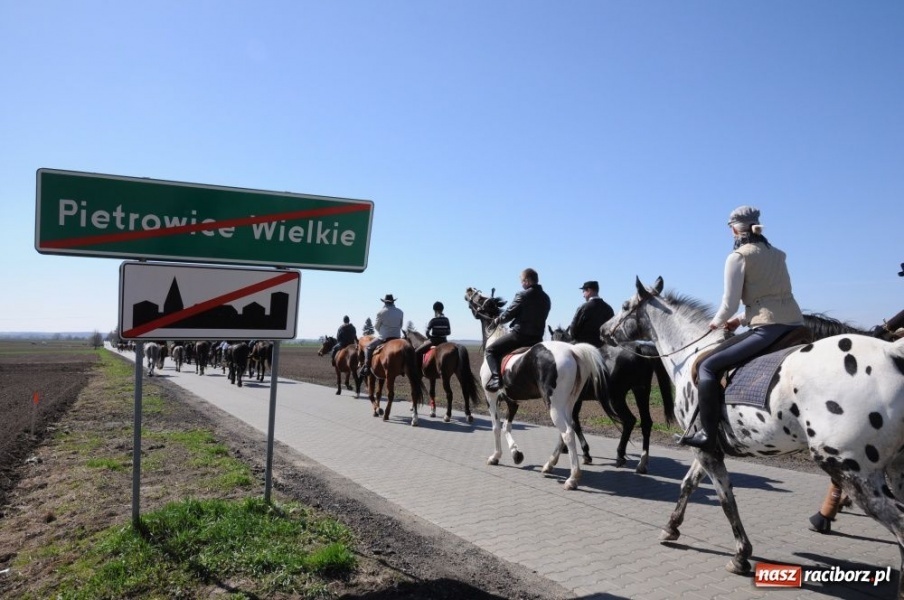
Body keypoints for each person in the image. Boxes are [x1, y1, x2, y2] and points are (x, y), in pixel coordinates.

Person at [679, 205, 804, 451]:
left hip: (768, 329)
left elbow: (729, 302)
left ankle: (708, 433)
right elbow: (772, 298)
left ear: (734, 229)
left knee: (707, 366)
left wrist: (716, 322)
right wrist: (741, 320)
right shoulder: (779, 254)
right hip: (796, 325)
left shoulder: (738, 256)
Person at [484, 268, 551, 392]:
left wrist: (498, 320)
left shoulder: (522, 295)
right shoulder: (546, 298)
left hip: (519, 336)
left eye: (522, 281)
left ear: (526, 280)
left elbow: (508, 314)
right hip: (537, 338)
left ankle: (496, 379)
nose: (521, 284)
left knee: (490, 351)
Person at [360, 294, 404, 377]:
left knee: (368, 347)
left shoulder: (380, 312)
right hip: (397, 337)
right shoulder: (400, 312)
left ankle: (367, 367)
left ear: (385, 302)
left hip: (384, 338)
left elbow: (376, 326)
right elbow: (401, 325)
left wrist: (382, 332)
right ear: (393, 302)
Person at [569, 281, 614, 347]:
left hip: (583, 348)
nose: (583, 295)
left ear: (589, 290)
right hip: (603, 348)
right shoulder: (609, 309)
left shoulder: (584, 308)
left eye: (583, 291)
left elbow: (573, 331)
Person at [414, 301, 452, 374]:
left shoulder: (433, 320)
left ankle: (418, 372)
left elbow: (427, 332)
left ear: (434, 310)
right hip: (444, 341)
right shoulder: (446, 320)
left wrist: (430, 337)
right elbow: (449, 332)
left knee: (417, 352)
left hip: (434, 340)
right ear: (442, 309)